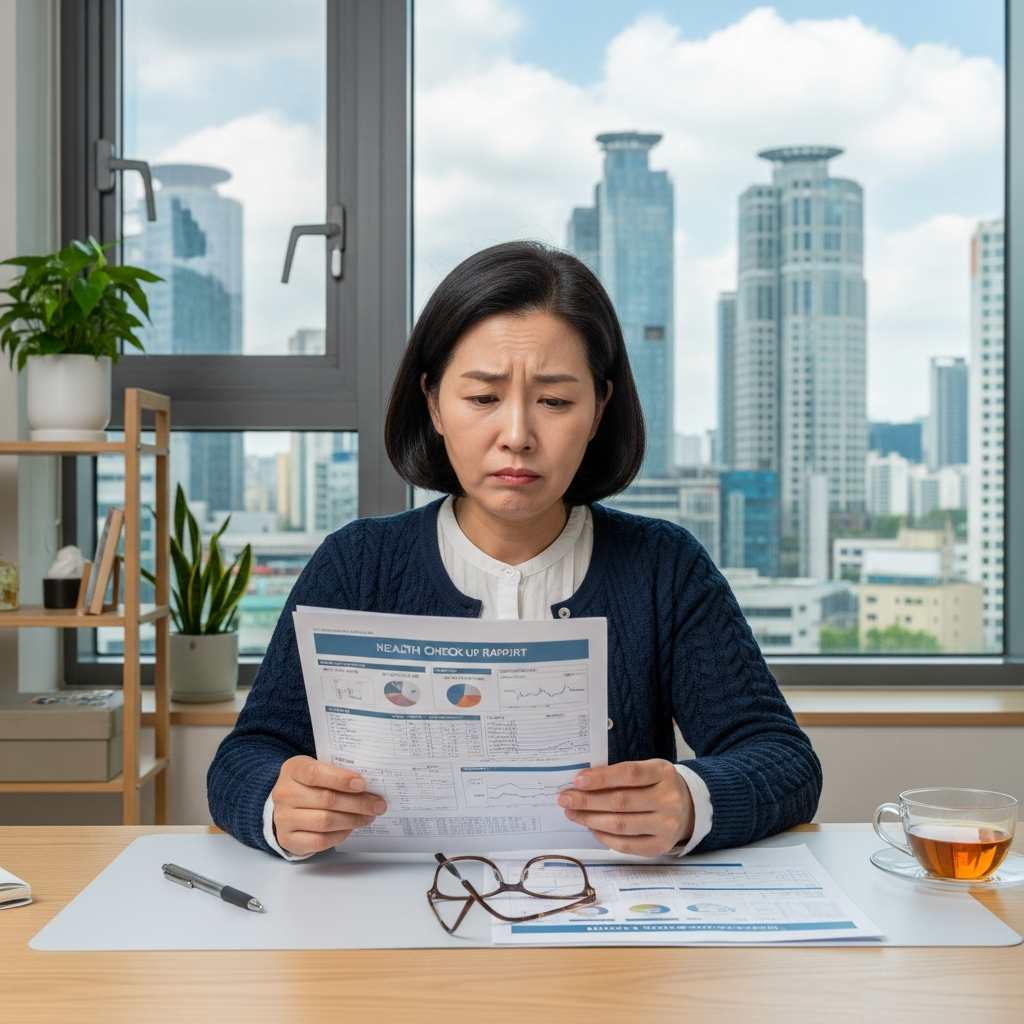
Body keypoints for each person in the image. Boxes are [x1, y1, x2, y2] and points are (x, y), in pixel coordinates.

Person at [208, 241, 821, 860]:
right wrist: (280, 803)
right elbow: (246, 756)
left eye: (555, 401)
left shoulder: (664, 566)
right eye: (482, 398)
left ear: (600, 408)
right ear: (434, 405)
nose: (518, 436)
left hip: (602, 923)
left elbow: (784, 759)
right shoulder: (357, 562)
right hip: (398, 918)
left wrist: (692, 798)